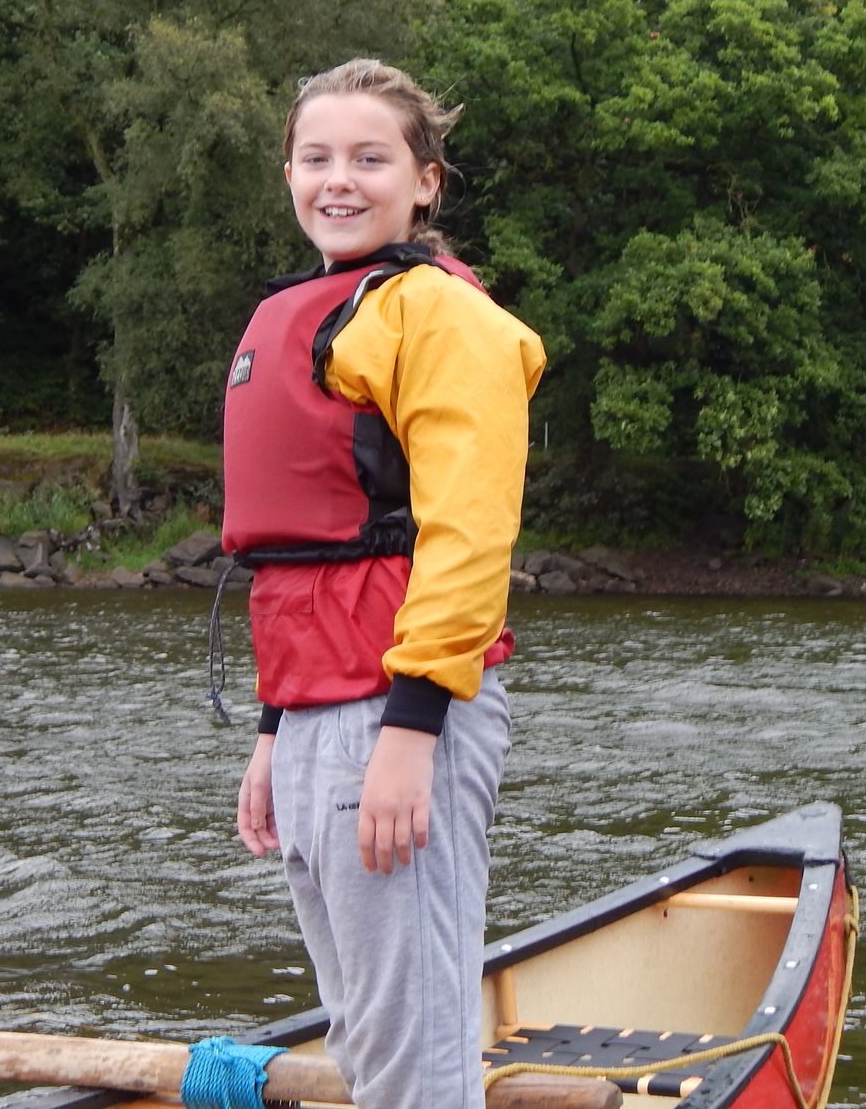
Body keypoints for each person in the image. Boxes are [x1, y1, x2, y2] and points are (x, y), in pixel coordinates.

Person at [226, 60, 547, 1108]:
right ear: (287, 173)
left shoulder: (440, 318)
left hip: (403, 710)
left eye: (371, 158)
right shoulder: (318, 308)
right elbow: (303, 563)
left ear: (426, 183)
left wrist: (412, 731)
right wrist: (274, 735)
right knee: (363, 1029)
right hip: (317, 707)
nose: (339, 180)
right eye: (316, 158)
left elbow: (466, 537)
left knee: (413, 1051)